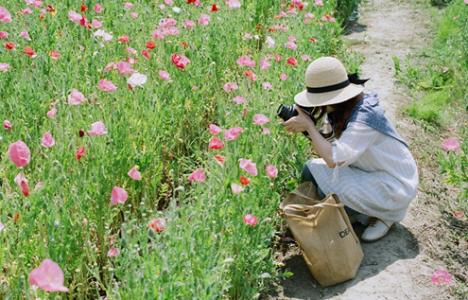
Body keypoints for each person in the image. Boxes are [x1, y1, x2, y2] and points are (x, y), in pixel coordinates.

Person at [282, 56, 419, 242]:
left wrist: (309, 127)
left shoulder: (365, 117)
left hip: (394, 185)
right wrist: (310, 125)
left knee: (319, 174)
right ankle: (355, 213)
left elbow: (334, 158)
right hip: (371, 172)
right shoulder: (343, 107)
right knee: (312, 169)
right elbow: (330, 144)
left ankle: (387, 215)